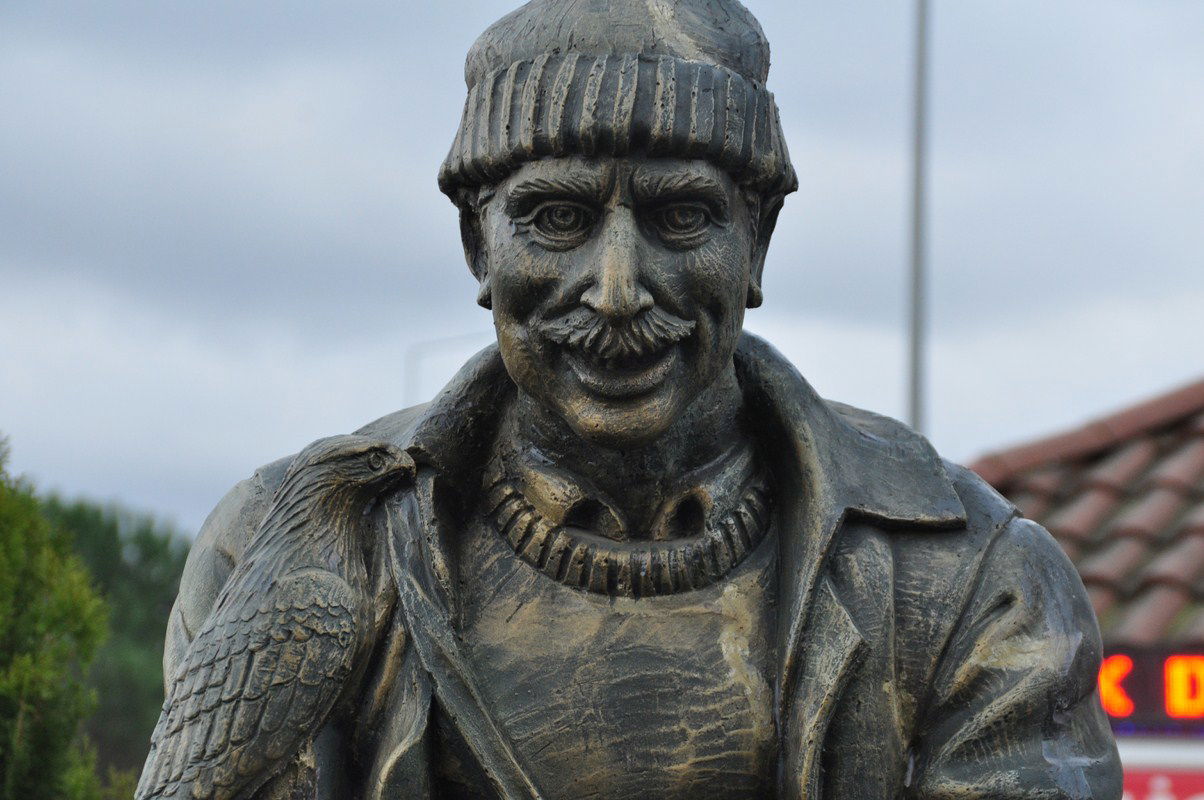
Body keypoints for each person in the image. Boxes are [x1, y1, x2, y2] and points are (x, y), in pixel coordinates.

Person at [159, 1, 1121, 797]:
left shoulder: (961, 582)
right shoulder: (296, 551)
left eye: (682, 215)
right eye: (556, 218)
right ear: (476, 246)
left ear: (758, 242)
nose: (618, 289)